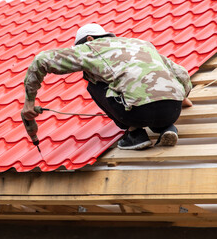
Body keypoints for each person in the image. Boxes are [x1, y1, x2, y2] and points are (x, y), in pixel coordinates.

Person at [22, 23, 192, 150]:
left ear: (89, 39)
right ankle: (167, 128)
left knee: (91, 82)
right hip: (173, 109)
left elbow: (41, 60)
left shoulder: (91, 47)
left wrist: (29, 102)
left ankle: (135, 134)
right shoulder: (141, 44)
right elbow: (182, 73)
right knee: (153, 99)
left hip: (137, 113)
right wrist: (183, 97)